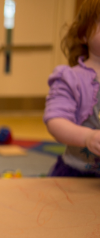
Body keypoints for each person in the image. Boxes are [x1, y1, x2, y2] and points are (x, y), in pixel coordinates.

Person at [44, 0, 100, 177]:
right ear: (84, 35)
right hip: (78, 173)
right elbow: (55, 120)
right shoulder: (71, 78)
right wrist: (87, 137)